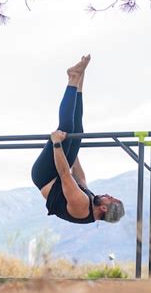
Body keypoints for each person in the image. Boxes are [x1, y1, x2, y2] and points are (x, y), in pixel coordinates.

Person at [31, 54, 125, 224]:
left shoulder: (82, 207)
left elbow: (65, 174)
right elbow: (80, 179)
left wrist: (58, 144)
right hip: (58, 174)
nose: (108, 195)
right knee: (77, 132)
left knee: (66, 128)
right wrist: (73, 147)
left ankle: (73, 78)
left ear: (104, 208)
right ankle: (79, 79)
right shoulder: (92, 202)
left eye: (110, 198)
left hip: (45, 176)